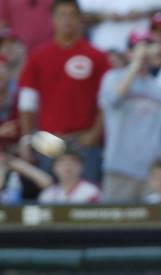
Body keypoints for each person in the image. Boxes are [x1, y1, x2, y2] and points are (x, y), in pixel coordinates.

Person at [17, 0, 109, 182]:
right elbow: (27, 101)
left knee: (86, 199)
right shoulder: (38, 57)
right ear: (52, 19)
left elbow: (106, 100)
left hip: (83, 138)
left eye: (72, 15)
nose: (67, 20)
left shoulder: (97, 56)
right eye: (61, 15)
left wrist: (94, 133)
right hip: (48, 139)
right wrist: (28, 139)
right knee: (50, 196)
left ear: (80, 19)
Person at [98, 29, 161, 203]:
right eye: (138, 48)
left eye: (148, 47)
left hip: (153, 174)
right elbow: (113, 98)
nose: (144, 52)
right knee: (115, 226)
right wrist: (135, 63)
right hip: (119, 168)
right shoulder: (112, 78)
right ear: (128, 52)